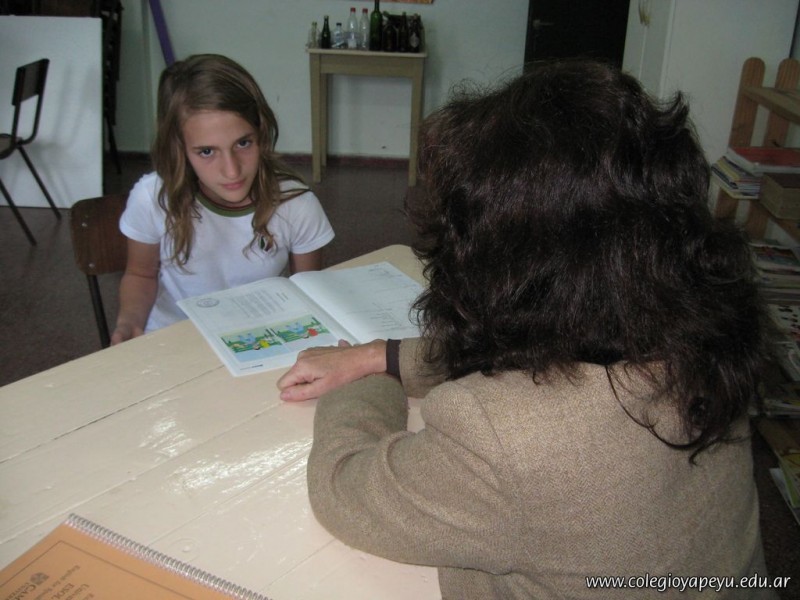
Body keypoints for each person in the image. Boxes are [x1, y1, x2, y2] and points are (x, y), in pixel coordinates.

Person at [277, 60, 778, 599]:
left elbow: (343, 489)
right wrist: (385, 355)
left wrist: (365, 381)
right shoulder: (710, 336)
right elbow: (563, 364)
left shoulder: (502, 437)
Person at [112, 54, 334, 343]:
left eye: (243, 143)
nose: (231, 170)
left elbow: (307, 292)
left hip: (260, 339)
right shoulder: (152, 198)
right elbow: (141, 275)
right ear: (179, 149)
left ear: (261, 134)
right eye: (207, 151)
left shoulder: (296, 205)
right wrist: (129, 323)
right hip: (173, 341)